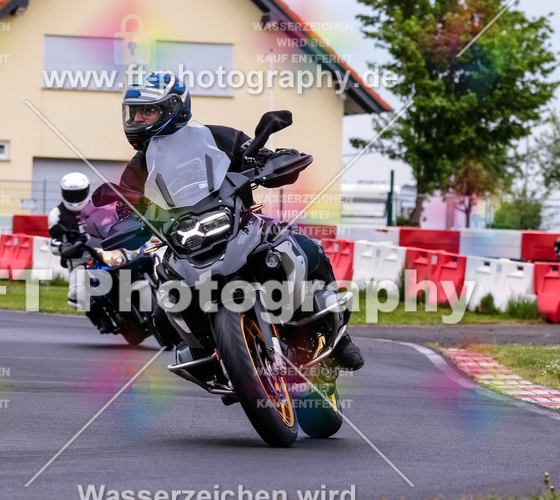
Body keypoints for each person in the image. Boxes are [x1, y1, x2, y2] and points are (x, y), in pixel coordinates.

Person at [94, 72, 364, 370]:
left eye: (148, 110)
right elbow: (127, 209)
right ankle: (212, 353)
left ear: (173, 107)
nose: (139, 119)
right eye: (135, 113)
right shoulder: (138, 168)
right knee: (162, 314)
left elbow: (257, 155)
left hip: (241, 224)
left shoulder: (218, 137)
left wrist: (273, 160)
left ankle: (341, 336)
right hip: (184, 245)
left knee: (302, 244)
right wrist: (127, 221)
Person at [48, 172, 107, 329]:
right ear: (63, 192)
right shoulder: (57, 214)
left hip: (106, 253)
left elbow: (113, 222)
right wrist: (63, 247)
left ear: (87, 191)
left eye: (79, 194)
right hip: (79, 260)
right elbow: (53, 241)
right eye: (70, 194)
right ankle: (100, 318)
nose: (75, 199)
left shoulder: (98, 207)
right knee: (76, 295)